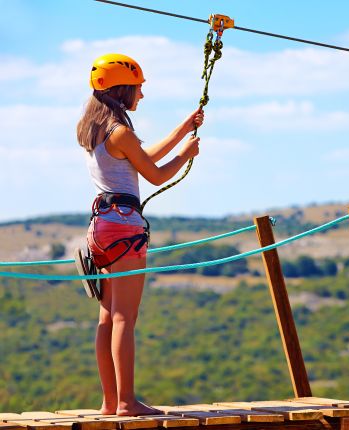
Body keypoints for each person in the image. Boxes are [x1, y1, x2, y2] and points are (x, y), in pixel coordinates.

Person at [75, 53, 203, 416]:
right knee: (123, 319)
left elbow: (140, 157)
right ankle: (128, 402)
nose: (141, 95)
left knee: (106, 318)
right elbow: (156, 174)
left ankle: (110, 401)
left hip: (100, 228)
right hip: (124, 227)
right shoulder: (121, 131)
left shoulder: (95, 129)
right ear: (122, 89)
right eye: (138, 88)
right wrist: (186, 152)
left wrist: (181, 130)